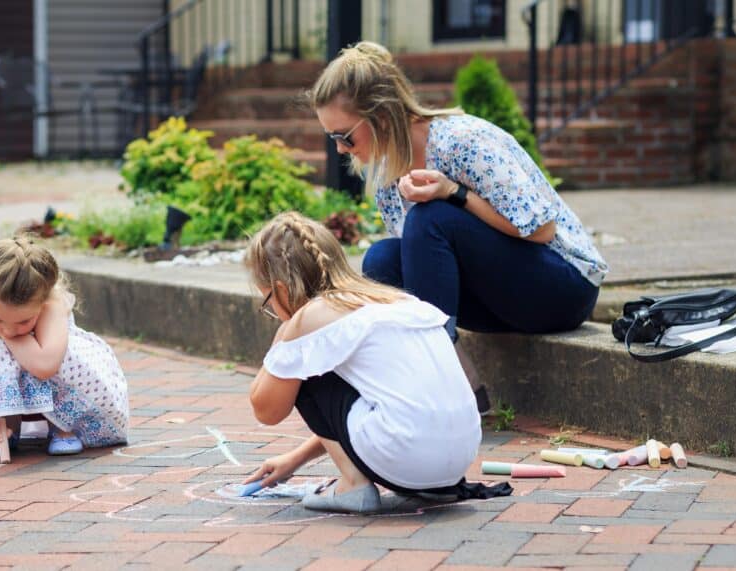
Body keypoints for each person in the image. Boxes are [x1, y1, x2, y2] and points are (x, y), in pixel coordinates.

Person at [306, 42, 608, 397]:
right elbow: (424, 268)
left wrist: (454, 192)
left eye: (344, 136)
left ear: (382, 117)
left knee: (429, 217)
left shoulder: (462, 141)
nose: (340, 148)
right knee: (381, 260)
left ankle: (447, 383)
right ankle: (458, 381)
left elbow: (542, 231)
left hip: (564, 287)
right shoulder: (388, 176)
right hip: (499, 301)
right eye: (332, 139)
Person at [242, 212, 510, 514]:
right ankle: (426, 486)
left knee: (303, 363)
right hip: (455, 462)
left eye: (269, 302)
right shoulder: (394, 300)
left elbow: (266, 410)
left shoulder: (311, 317)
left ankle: (353, 486)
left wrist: (284, 336)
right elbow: (393, 406)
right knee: (314, 363)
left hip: (403, 455)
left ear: (281, 289)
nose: (273, 312)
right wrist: (296, 458)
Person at [0, 237, 128, 458]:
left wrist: (3, 335)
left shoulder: (50, 303)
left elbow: (46, 365)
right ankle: (4, 428)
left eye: (23, 321)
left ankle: (63, 429)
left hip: (53, 374)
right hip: (5, 381)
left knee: (30, 350)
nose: (9, 329)